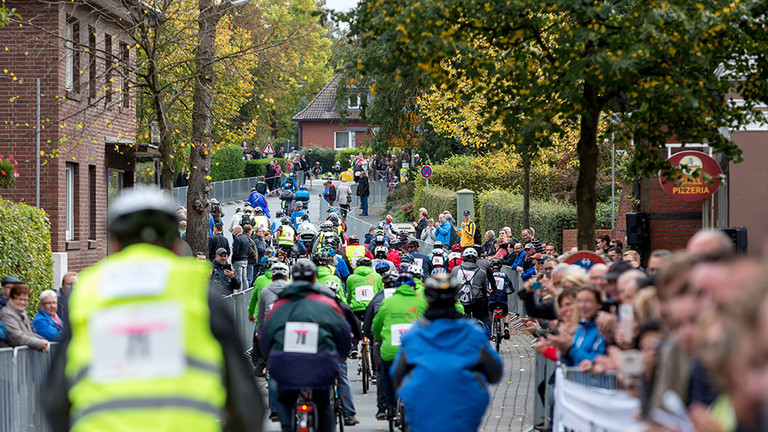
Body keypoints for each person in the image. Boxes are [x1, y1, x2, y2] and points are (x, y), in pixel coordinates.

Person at [44, 187, 265, 432]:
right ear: (174, 244)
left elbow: (55, 401)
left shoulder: (86, 294)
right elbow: (245, 400)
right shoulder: (198, 292)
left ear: (114, 243)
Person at [392, 274, 502, 432]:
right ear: (455, 299)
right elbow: (495, 373)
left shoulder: (413, 335)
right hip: (466, 410)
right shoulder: (474, 334)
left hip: (422, 408)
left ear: (427, 300)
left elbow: (397, 375)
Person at [259, 259, 352, 432]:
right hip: (322, 366)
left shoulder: (280, 306)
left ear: (292, 279)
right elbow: (344, 335)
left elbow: (265, 337)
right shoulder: (328, 304)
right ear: (315, 279)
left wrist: (270, 356)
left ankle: (288, 427)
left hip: (286, 368)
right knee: (323, 403)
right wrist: (341, 354)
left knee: (285, 400)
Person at [372, 270, 428, 417]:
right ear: (414, 287)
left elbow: (377, 326)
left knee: (386, 375)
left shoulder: (387, 302)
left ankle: (389, 406)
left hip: (390, 351)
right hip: (415, 352)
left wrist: (378, 338)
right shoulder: (421, 302)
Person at [0, 283, 49, 351]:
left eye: (25, 300)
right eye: (19, 299)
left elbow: (30, 335)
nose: (22, 302)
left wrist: (41, 342)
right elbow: (17, 338)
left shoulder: (23, 314)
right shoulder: (6, 314)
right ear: (11, 299)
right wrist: (40, 344)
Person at [451, 247, 491, 329]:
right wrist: (485, 295)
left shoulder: (455, 270)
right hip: (475, 300)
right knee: (484, 314)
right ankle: (486, 332)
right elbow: (484, 288)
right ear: (476, 259)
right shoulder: (481, 272)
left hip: (458, 300)